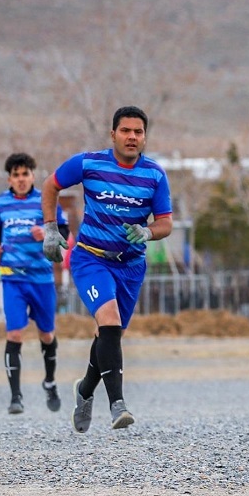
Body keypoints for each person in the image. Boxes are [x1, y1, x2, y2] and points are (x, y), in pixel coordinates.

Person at [41, 105, 172, 432]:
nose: (132, 137)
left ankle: (85, 391)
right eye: (125, 131)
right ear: (112, 134)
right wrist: (50, 228)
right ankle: (118, 405)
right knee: (109, 322)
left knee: (108, 335)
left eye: (138, 132)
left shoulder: (154, 175)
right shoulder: (89, 163)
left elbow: (166, 223)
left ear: (144, 137)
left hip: (130, 266)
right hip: (91, 258)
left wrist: (148, 232)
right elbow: (50, 186)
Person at [0, 153, 66, 415]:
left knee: (46, 334)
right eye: (16, 175)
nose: (21, 179)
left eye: (25, 174)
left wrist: (46, 232)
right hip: (13, 278)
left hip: (41, 278)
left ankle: (50, 381)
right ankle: (16, 396)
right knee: (14, 333)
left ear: (33, 175)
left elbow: (65, 234)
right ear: (9, 178)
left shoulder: (47, 200)